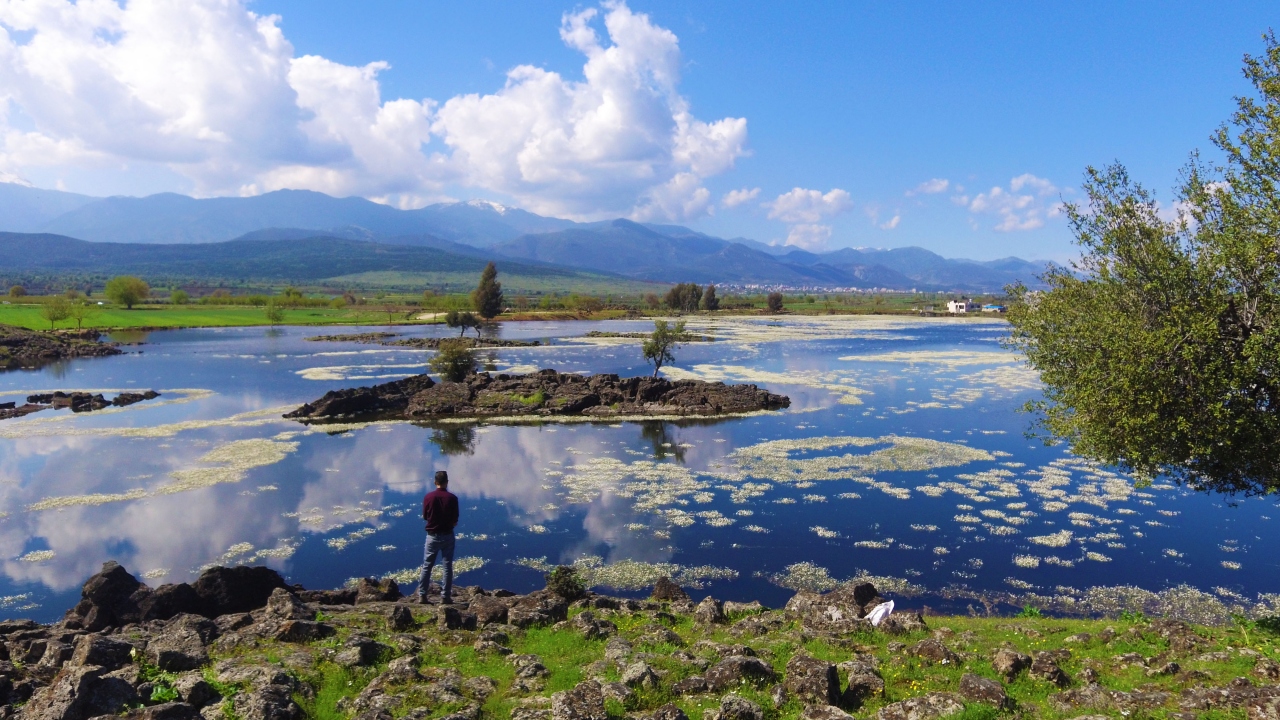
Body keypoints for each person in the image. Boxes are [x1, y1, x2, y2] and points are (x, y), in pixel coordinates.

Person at [417, 470, 459, 604]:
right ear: (447, 482)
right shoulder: (452, 498)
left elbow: (425, 516)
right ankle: (445, 597)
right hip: (448, 535)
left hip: (432, 536)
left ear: (435, 482)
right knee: (447, 567)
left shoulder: (428, 497)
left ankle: (422, 596)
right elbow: (455, 520)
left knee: (427, 566)